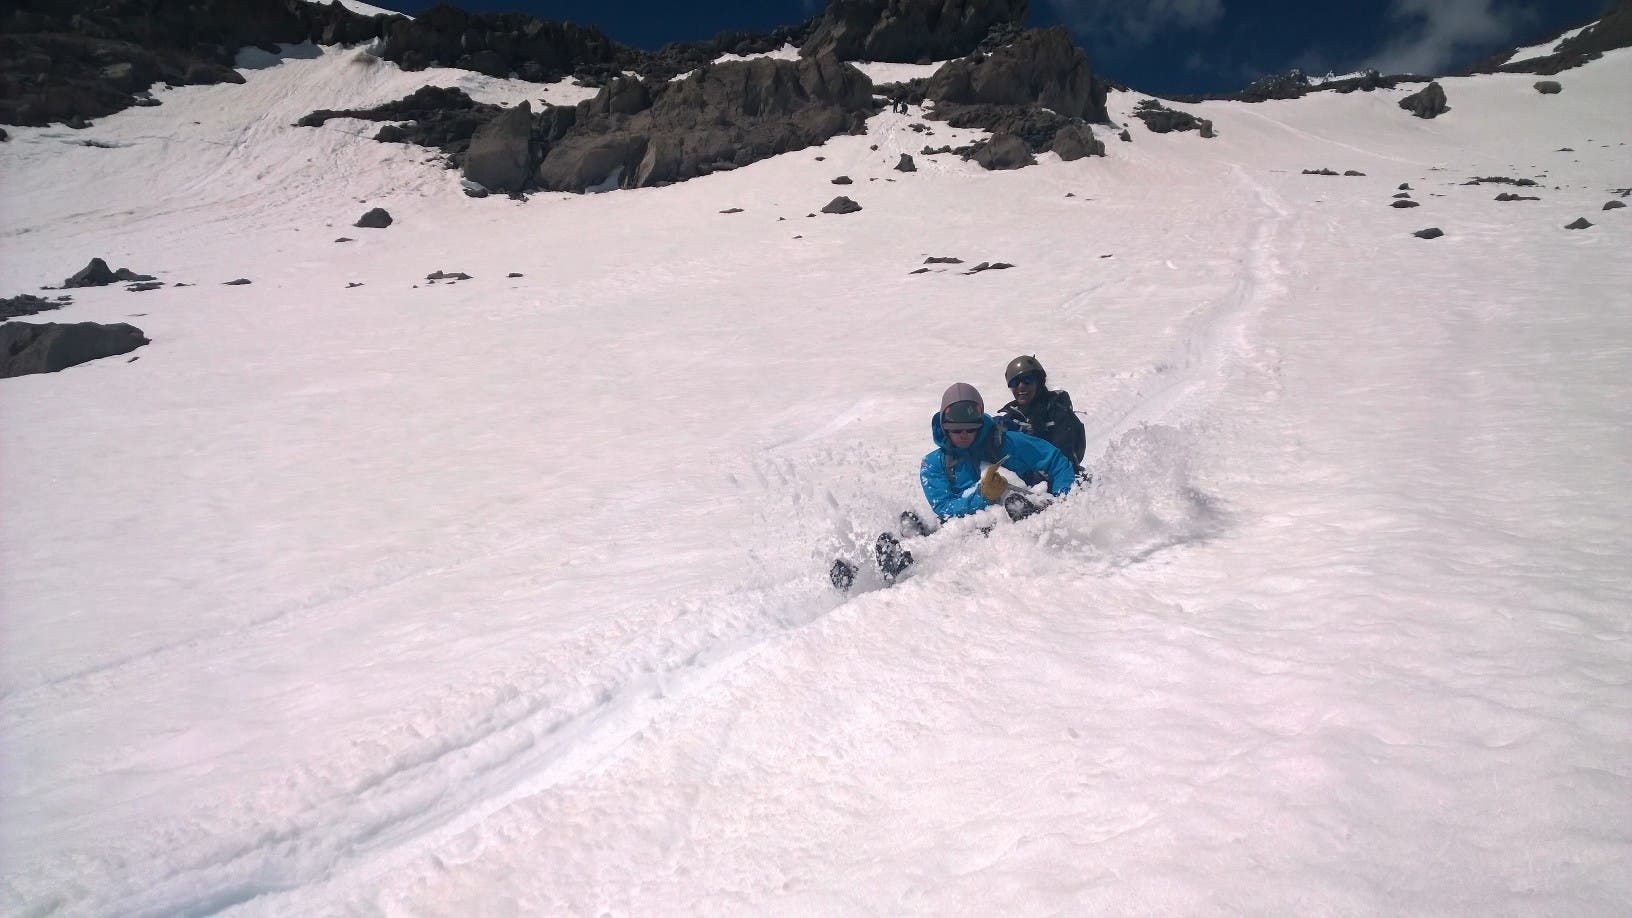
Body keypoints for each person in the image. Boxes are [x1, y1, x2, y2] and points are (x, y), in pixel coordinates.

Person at [920, 382, 1077, 522]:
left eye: (970, 429)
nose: (964, 435)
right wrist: (983, 497)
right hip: (971, 527)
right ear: (945, 429)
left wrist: (1063, 499)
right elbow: (944, 508)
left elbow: (1055, 460)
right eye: (956, 430)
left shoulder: (1006, 443)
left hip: (1020, 509)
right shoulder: (933, 464)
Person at [994, 355, 1087, 480]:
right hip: (1026, 484)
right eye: (1014, 383)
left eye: (1027, 380)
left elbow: (1065, 460)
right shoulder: (1010, 418)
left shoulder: (1059, 415)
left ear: (1039, 382)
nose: (1021, 386)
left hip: (1061, 481)